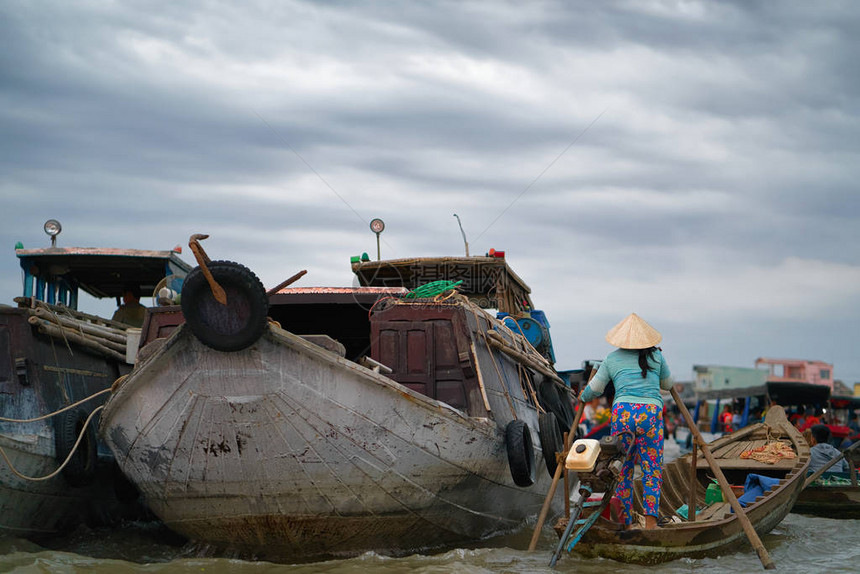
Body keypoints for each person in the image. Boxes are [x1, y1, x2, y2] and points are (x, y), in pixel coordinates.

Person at [578, 313, 672, 530]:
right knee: (652, 469)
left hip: (623, 414)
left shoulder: (612, 358)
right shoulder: (657, 357)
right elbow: (668, 384)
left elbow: (596, 389)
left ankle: (624, 522)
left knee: (622, 468)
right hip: (650, 415)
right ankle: (650, 523)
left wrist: (583, 396)